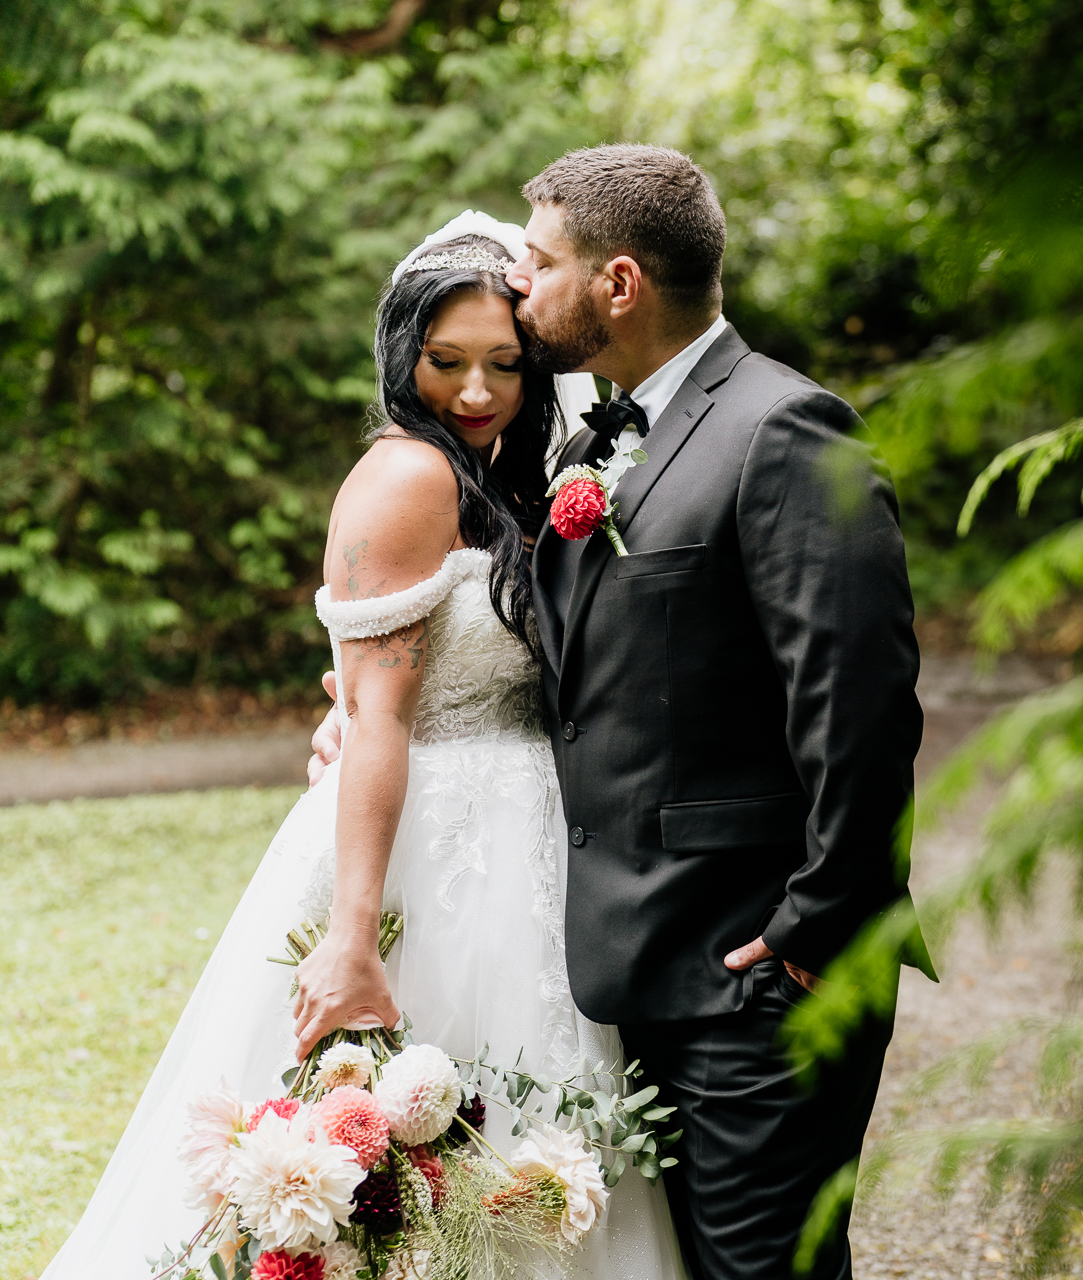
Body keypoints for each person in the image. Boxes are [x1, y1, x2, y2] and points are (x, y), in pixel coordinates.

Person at [310, 143, 931, 1280]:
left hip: (755, 970)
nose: (520, 279)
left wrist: (817, 924)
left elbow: (864, 704)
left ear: (620, 284)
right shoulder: (596, 437)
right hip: (629, 962)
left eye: (539, 262)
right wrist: (362, 706)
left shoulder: (781, 428)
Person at [40, 212, 686, 1278]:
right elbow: (382, 717)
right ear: (403, 353)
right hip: (419, 850)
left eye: (505, 365)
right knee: (386, 1153)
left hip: (530, 849)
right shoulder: (408, 478)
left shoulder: (512, 475)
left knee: (527, 1152)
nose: (476, 392)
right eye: (446, 363)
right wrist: (351, 936)